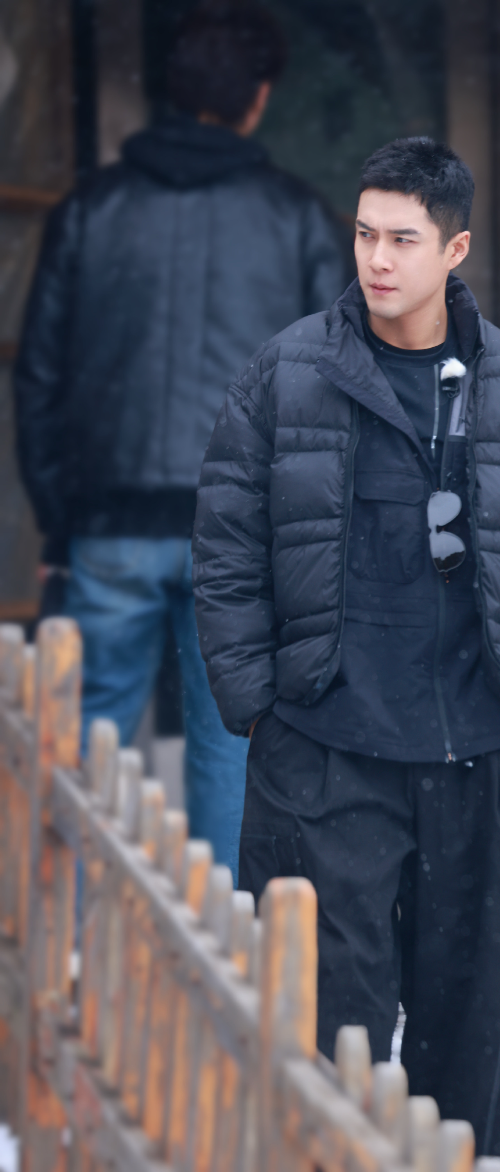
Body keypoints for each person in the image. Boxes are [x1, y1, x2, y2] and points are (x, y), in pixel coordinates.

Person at [193, 137, 500, 1154]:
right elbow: (226, 544)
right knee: (314, 1034)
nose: (377, 259)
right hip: (326, 751)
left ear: (455, 248)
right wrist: (256, 701)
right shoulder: (287, 374)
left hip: (486, 752)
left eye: (403, 239)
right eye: (365, 234)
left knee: (478, 1032)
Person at [13, 0, 347, 884]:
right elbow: (334, 400)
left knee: (79, 750)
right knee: (232, 752)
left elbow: (38, 378)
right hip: (241, 538)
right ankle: (221, 951)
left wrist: (59, 519)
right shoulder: (296, 217)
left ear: (171, 88)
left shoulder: (90, 209)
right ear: (259, 97)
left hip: (109, 527)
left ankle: (68, 946)